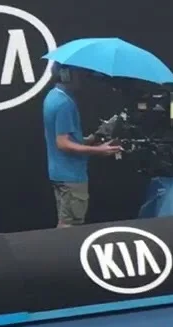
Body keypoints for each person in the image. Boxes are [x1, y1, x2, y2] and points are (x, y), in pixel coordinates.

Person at [41, 65, 118, 227]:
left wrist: (93, 138)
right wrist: (99, 150)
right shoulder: (64, 104)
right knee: (70, 226)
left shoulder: (53, 96)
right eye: (78, 73)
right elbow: (63, 144)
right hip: (71, 176)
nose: (83, 78)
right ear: (65, 74)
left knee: (65, 221)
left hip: (60, 173)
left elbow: (66, 139)